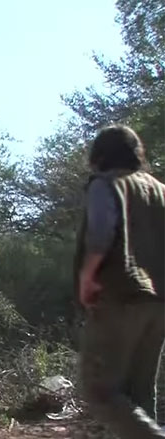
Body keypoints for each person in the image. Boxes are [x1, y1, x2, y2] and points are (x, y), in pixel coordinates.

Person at [75, 125, 165, 438]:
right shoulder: (159, 190)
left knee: (100, 390)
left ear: (99, 155)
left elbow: (101, 234)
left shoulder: (107, 184)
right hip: (159, 304)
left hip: (121, 295)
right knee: (140, 392)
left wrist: (87, 277)